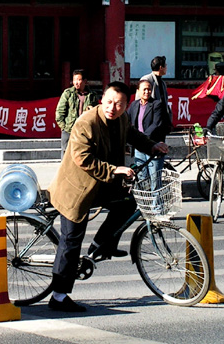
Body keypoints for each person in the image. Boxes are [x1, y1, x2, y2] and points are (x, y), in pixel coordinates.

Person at [46, 81, 168, 313]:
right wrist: (115, 170)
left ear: (126, 105)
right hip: (76, 190)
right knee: (71, 241)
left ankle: (101, 245)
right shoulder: (86, 123)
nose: (113, 107)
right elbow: (84, 159)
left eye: (119, 104)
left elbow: (133, 135)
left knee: (128, 203)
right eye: (109, 102)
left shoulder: (121, 119)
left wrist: (152, 146)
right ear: (102, 99)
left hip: (101, 185)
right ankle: (58, 296)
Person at [127, 79, 165, 189]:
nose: (147, 92)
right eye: (144, 89)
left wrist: (142, 138)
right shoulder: (134, 105)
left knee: (155, 179)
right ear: (138, 91)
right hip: (139, 148)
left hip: (153, 146)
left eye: (149, 89)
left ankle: (156, 206)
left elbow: (156, 124)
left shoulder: (156, 105)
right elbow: (127, 120)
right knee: (141, 178)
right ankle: (143, 205)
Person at [55, 69, 98, 155]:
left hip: (84, 131)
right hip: (69, 130)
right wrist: (64, 128)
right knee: (66, 154)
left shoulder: (92, 95)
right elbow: (59, 113)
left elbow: (95, 113)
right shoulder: (68, 94)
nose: (76, 82)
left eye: (79, 79)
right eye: (74, 80)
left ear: (85, 81)